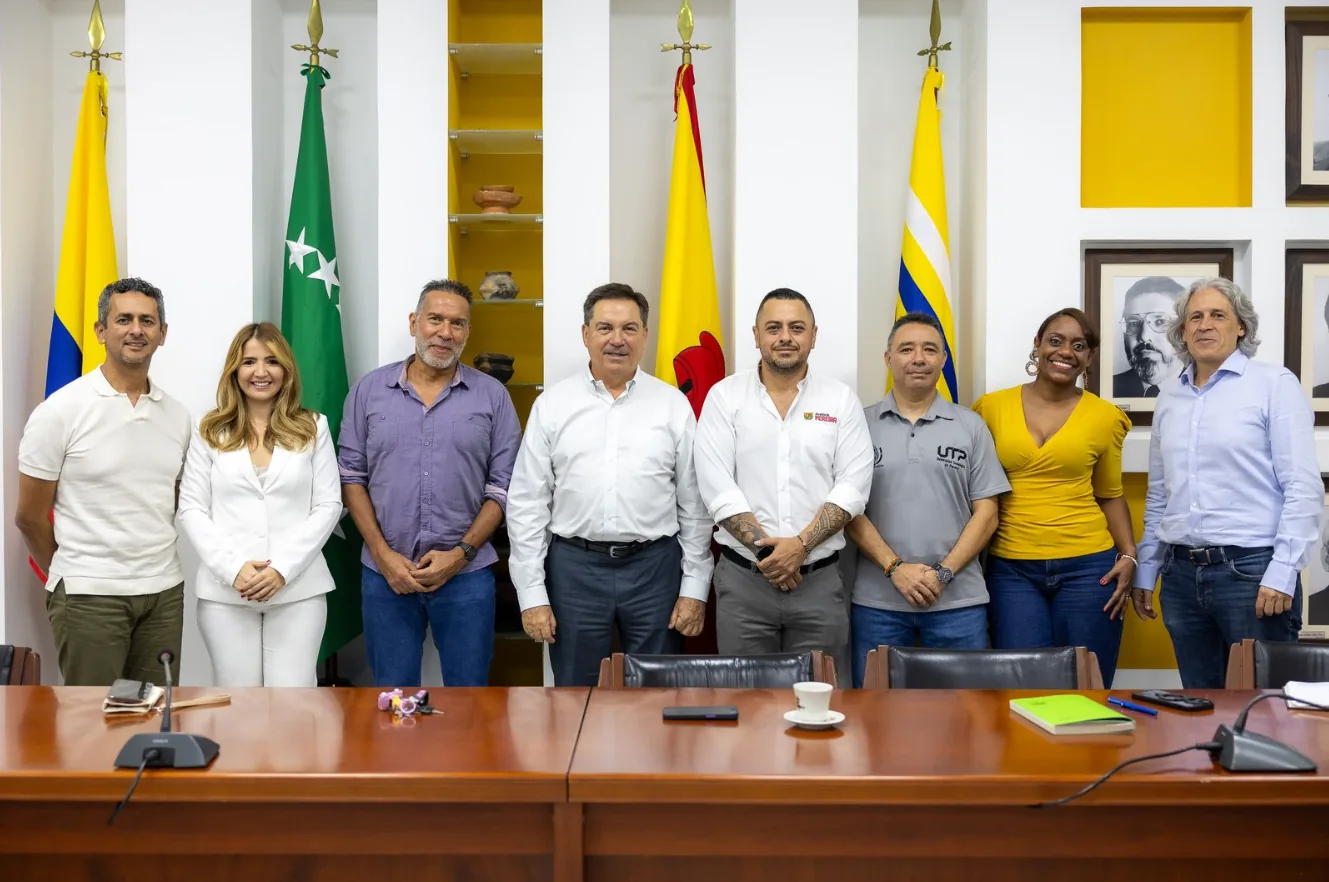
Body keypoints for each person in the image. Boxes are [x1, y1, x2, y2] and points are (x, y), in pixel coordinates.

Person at [506, 283, 713, 686]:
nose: (617, 340)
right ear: (586, 335)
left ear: (645, 336)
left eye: (629, 328)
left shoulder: (672, 404)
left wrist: (693, 587)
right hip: (573, 569)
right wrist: (532, 595)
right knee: (576, 695)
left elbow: (695, 505)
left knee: (658, 694)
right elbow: (527, 503)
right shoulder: (553, 404)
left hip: (656, 568)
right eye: (605, 328)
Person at [1133, 278, 1319, 688]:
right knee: (1201, 707)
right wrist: (1147, 569)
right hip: (1180, 576)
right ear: (1182, 331)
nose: (1204, 325)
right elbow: (1161, 495)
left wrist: (1283, 571)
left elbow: (1303, 487)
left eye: (1218, 315)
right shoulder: (1169, 398)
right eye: (1194, 317)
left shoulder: (1274, 385)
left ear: (1241, 327)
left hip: (1253, 573)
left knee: (1266, 712)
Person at [339, 279, 521, 687]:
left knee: (470, 698)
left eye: (457, 324)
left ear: (467, 333)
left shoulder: (493, 397)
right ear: (413, 322)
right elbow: (351, 477)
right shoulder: (368, 391)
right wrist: (383, 555)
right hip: (385, 575)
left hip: (467, 576)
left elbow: (504, 486)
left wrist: (460, 554)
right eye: (435, 319)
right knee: (393, 701)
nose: (445, 332)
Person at [15, 277, 191, 686]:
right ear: (100, 331)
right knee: (91, 727)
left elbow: (174, 499)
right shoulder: (60, 411)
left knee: (152, 722)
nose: (136, 330)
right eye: (123, 319)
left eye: (147, 321)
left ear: (162, 334)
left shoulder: (178, 416)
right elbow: (29, 516)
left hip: (163, 594)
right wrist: (74, 572)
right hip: (88, 595)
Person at [694, 288, 873, 677]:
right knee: (747, 708)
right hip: (744, 584)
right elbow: (717, 486)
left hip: (820, 583)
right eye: (773, 327)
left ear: (813, 335)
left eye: (797, 327)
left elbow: (853, 485)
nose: (785, 337)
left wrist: (801, 546)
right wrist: (772, 556)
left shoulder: (840, 400)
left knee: (821, 700)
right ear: (756, 335)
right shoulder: (724, 398)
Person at [972, 308, 1142, 687]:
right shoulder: (990, 408)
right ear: (1037, 345)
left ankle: (1090, 749)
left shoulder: (1105, 417)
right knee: (1021, 685)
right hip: (1012, 570)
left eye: (1079, 346)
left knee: (1087, 684)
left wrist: (1129, 554)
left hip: (1089, 569)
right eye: (1056, 341)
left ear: (1089, 358)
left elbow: (1110, 495)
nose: (1065, 351)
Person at [846, 313, 1010, 687]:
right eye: (906, 349)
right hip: (878, 602)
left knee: (966, 719)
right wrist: (896, 569)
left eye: (929, 349)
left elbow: (987, 513)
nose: (918, 358)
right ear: (888, 359)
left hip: (958, 602)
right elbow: (848, 511)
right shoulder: (858, 425)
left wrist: (943, 573)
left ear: (943, 360)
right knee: (877, 719)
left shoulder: (971, 426)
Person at [177, 323, 342, 687]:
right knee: (238, 705)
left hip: (298, 589)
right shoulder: (210, 430)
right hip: (227, 592)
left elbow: (329, 505)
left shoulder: (314, 426)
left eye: (272, 361)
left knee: (292, 701)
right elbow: (190, 508)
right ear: (235, 371)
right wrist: (234, 568)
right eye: (249, 361)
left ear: (286, 369)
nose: (261, 372)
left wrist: (282, 568)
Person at [1113, 276, 1183, 398]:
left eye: (1160, 321)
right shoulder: (1112, 388)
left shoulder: (1207, 389)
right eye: (1134, 323)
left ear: (1183, 329)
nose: (1144, 337)